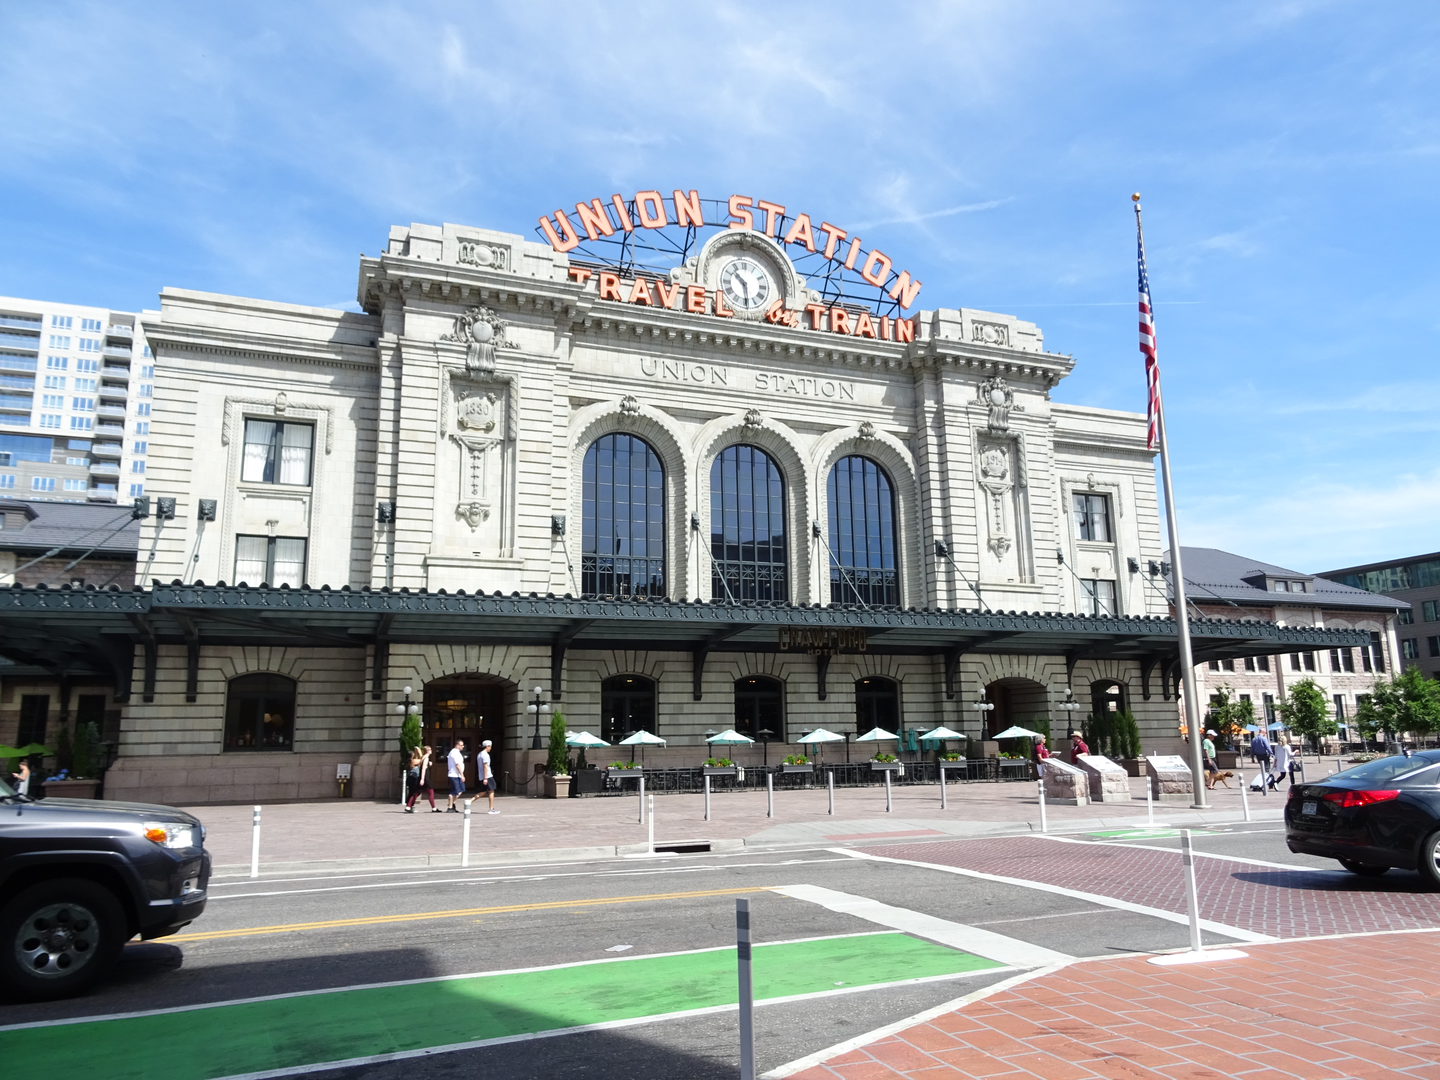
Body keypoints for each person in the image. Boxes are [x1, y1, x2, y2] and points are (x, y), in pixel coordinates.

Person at [405, 745, 439, 813]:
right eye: (430, 750)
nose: (431, 751)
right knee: (431, 792)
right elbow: (423, 769)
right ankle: (434, 808)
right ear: (428, 751)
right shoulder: (426, 758)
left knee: (417, 793)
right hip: (425, 778)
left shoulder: (423, 758)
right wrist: (422, 779)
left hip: (422, 778)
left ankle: (408, 806)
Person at [471, 738, 499, 814]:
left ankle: (469, 802)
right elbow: (485, 766)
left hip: (481, 775)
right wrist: (486, 778)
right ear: (487, 746)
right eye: (490, 746)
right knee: (491, 790)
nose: (491, 748)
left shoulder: (479, 754)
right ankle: (491, 808)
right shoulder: (485, 755)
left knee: (483, 792)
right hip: (487, 776)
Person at [445, 738, 467, 812]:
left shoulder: (457, 752)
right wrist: (462, 775)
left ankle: (452, 803)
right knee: (454, 791)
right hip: (454, 775)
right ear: (457, 745)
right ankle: (450, 807)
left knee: (460, 790)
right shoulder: (454, 753)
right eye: (461, 745)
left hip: (457, 775)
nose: (463, 747)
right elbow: (457, 765)